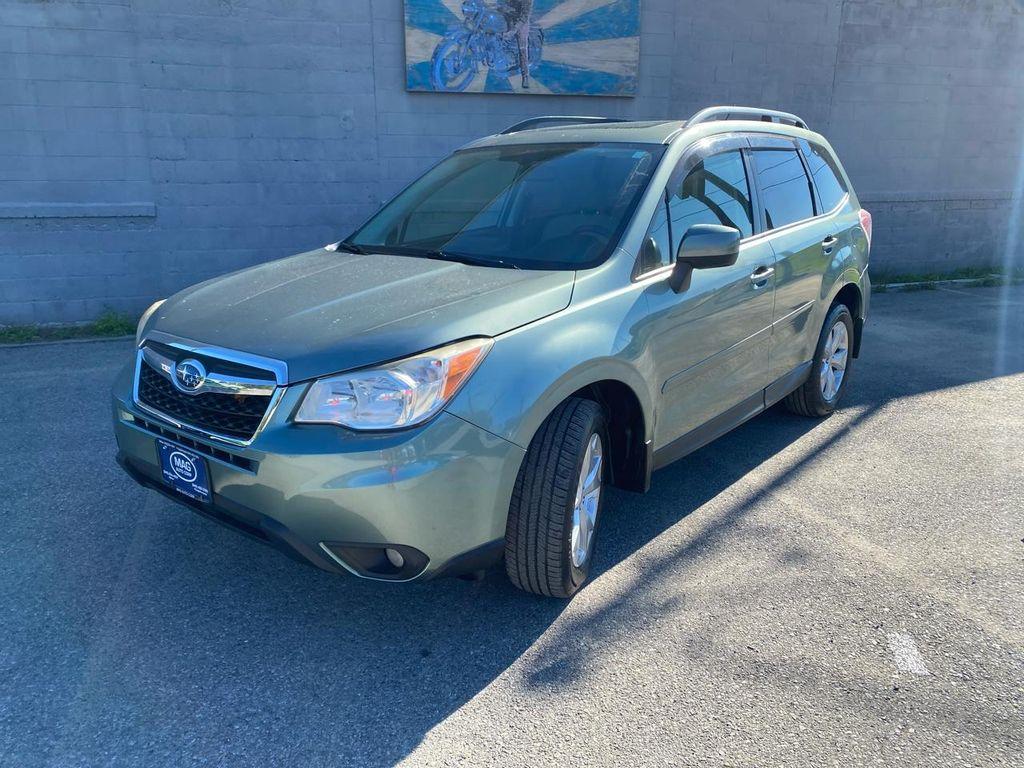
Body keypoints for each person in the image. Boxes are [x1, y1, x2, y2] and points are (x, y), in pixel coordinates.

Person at [502, 0, 534, 89]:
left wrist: (513, 30)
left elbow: (524, 17)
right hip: (509, 20)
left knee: (522, 49)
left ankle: (525, 76)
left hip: (521, 24)